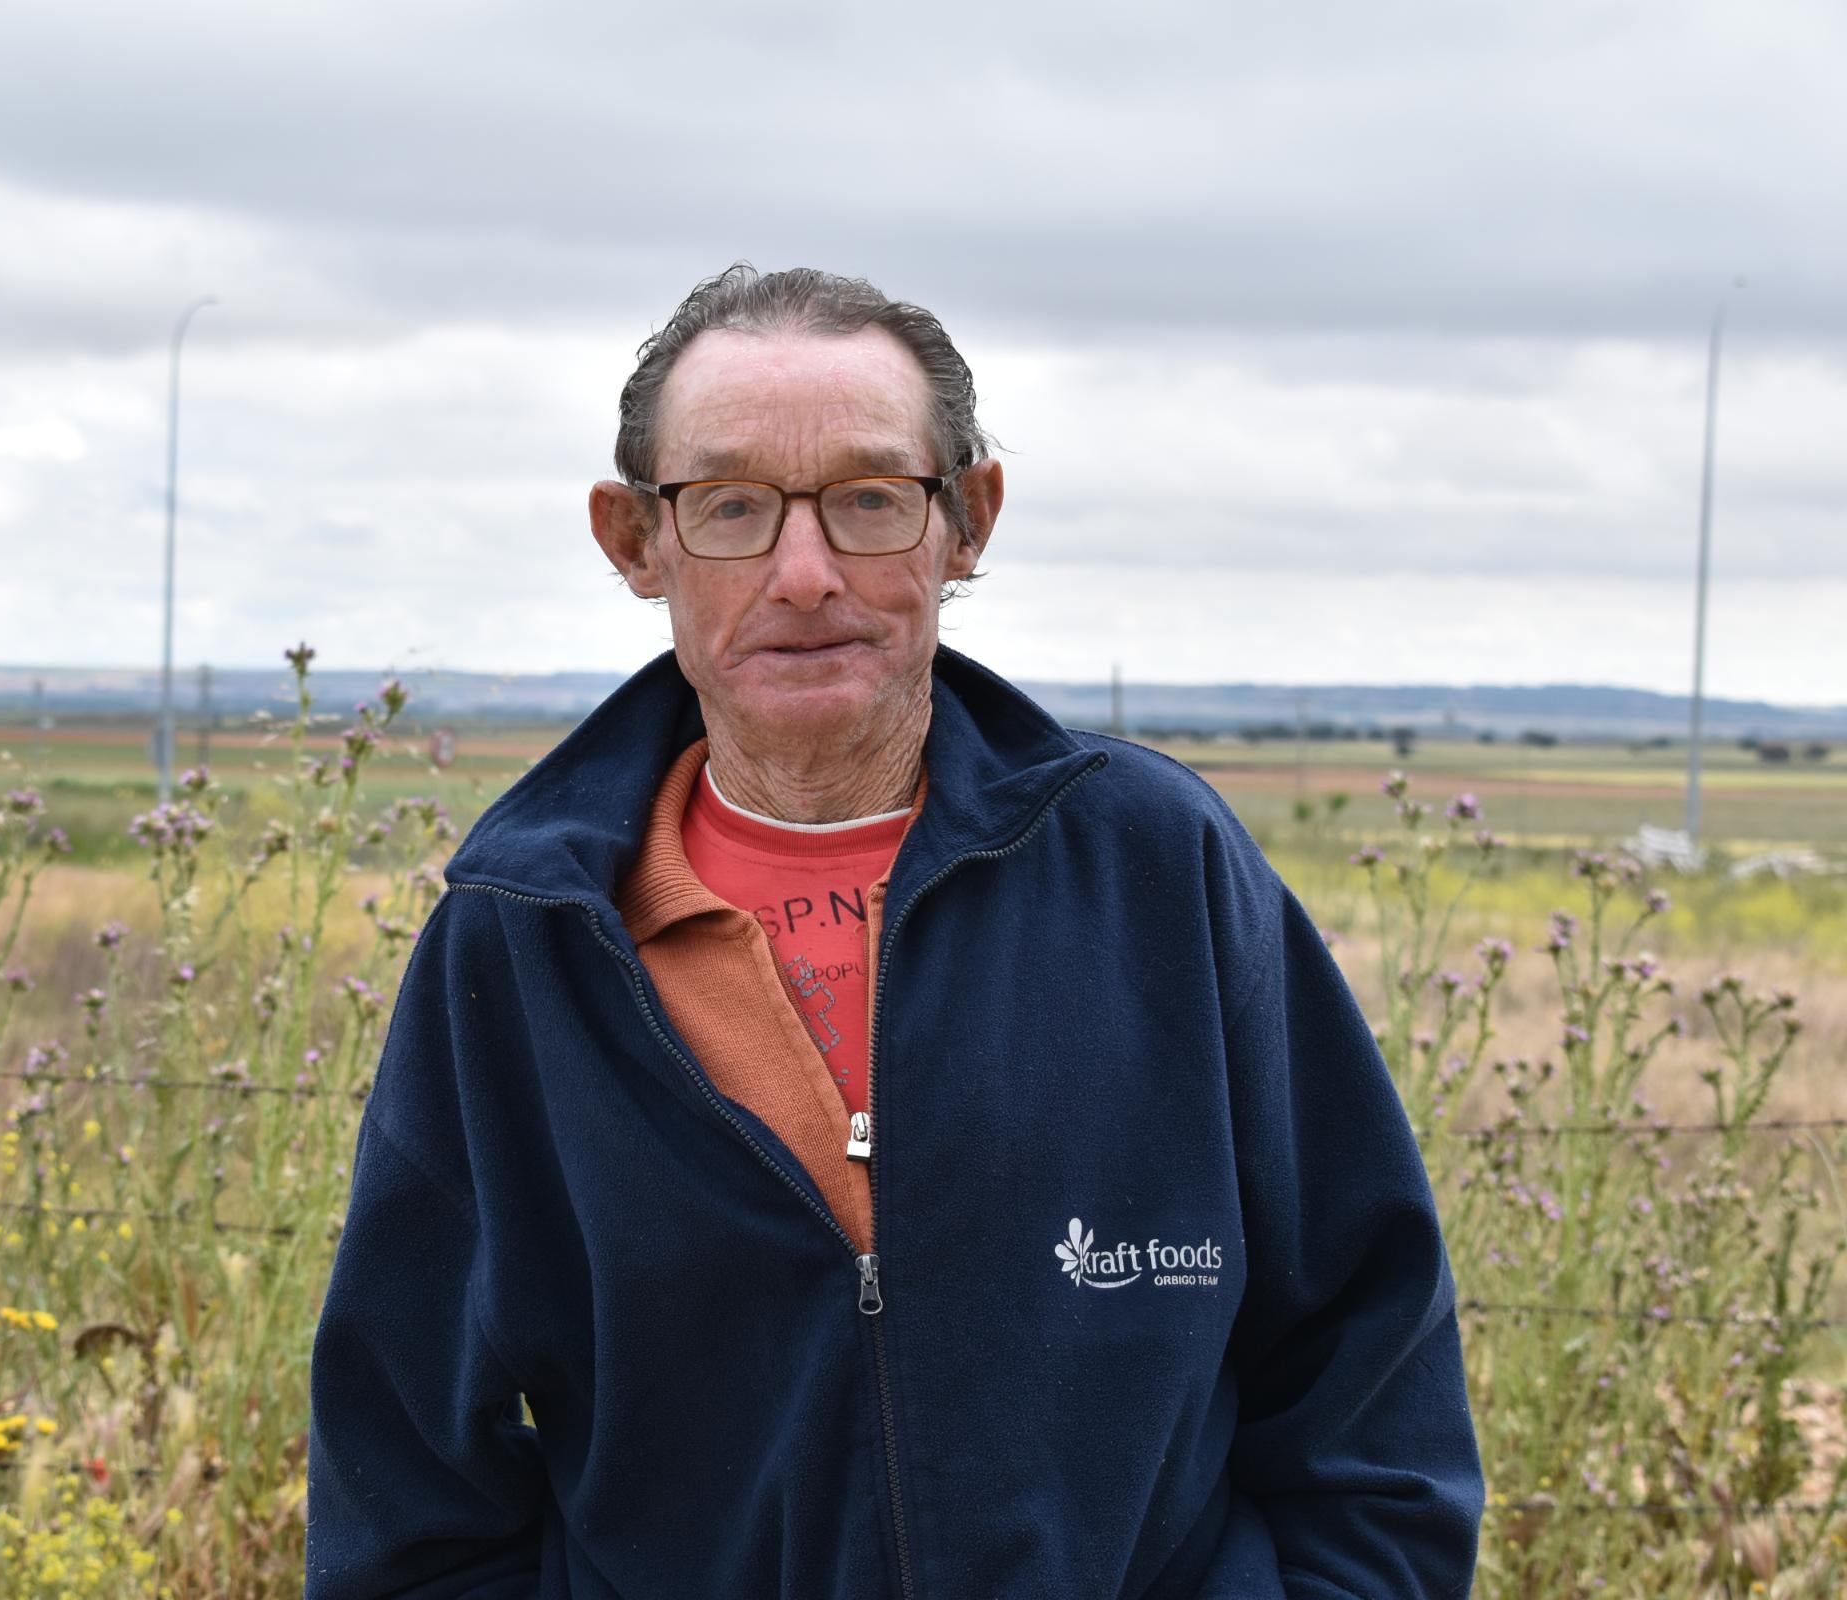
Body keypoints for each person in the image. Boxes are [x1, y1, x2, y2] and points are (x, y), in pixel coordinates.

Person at [305, 264, 1482, 1598]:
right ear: (637, 543)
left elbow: (1370, 1383)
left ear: (965, 522)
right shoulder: (522, 942)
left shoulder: (1159, 872)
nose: (805, 575)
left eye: (871, 500)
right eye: (731, 506)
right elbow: (405, 1487)